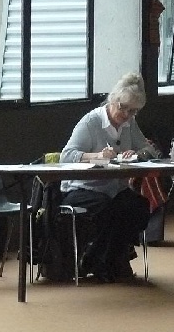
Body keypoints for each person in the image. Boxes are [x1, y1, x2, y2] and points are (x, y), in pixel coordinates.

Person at [59, 72, 157, 282]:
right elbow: (66, 155)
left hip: (114, 189)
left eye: (133, 111)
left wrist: (137, 154)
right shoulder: (91, 122)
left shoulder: (130, 124)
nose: (126, 114)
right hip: (82, 188)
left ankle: (100, 259)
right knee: (109, 210)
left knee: (138, 207)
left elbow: (150, 149)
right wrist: (96, 156)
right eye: (123, 107)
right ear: (113, 100)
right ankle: (107, 262)